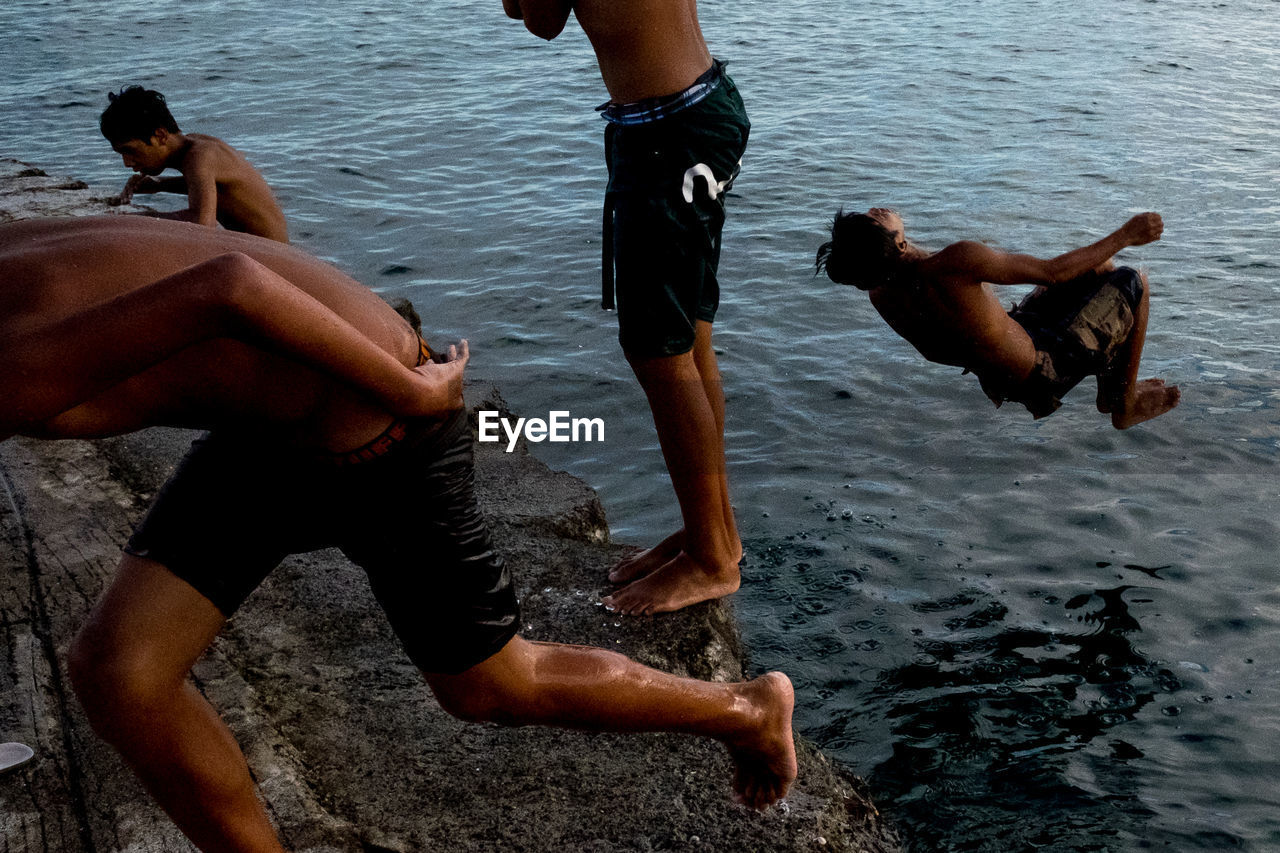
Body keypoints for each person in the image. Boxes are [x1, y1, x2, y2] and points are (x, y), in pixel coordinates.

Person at [0, 216, 796, 852]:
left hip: (380, 421)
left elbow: (230, 284)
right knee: (120, 670)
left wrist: (410, 395)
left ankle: (745, 707)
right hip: (272, 429)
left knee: (491, 685)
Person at [503, 0, 750, 615]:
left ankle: (712, 561)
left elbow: (537, 19)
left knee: (658, 351)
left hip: (667, 138)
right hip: (703, 107)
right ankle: (713, 532)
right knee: (689, 337)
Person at [816, 208, 1180, 429]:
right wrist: (1126, 235)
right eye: (876, 221)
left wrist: (988, 348)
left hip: (1007, 364)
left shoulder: (881, 293)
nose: (876, 211)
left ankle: (1108, 392)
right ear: (896, 246)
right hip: (1043, 367)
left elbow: (931, 350)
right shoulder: (955, 263)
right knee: (1134, 281)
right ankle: (1125, 405)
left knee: (1098, 269)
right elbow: (1051, 272)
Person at [100, 86, 289, 242]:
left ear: (160, 136)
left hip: (273, 258)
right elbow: (215, 187)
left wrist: (132, 220)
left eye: (130, 151)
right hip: (265, 250)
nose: (126, 163)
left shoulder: (200, 157)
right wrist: (160, 184)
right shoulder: (195, 146)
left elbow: (201, 225)